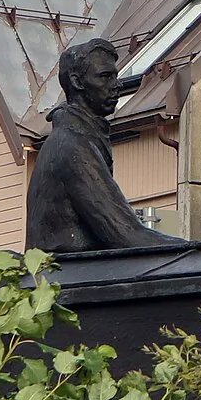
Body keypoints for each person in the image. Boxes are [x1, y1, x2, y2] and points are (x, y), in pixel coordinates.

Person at [24, 38, 188, 253]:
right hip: (67, 276)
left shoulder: (81, 138)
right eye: (105, 77)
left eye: (115, 76)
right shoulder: (71, 146)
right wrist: (199, 253)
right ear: (77, 82)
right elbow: (125, 234)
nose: (116, 85)